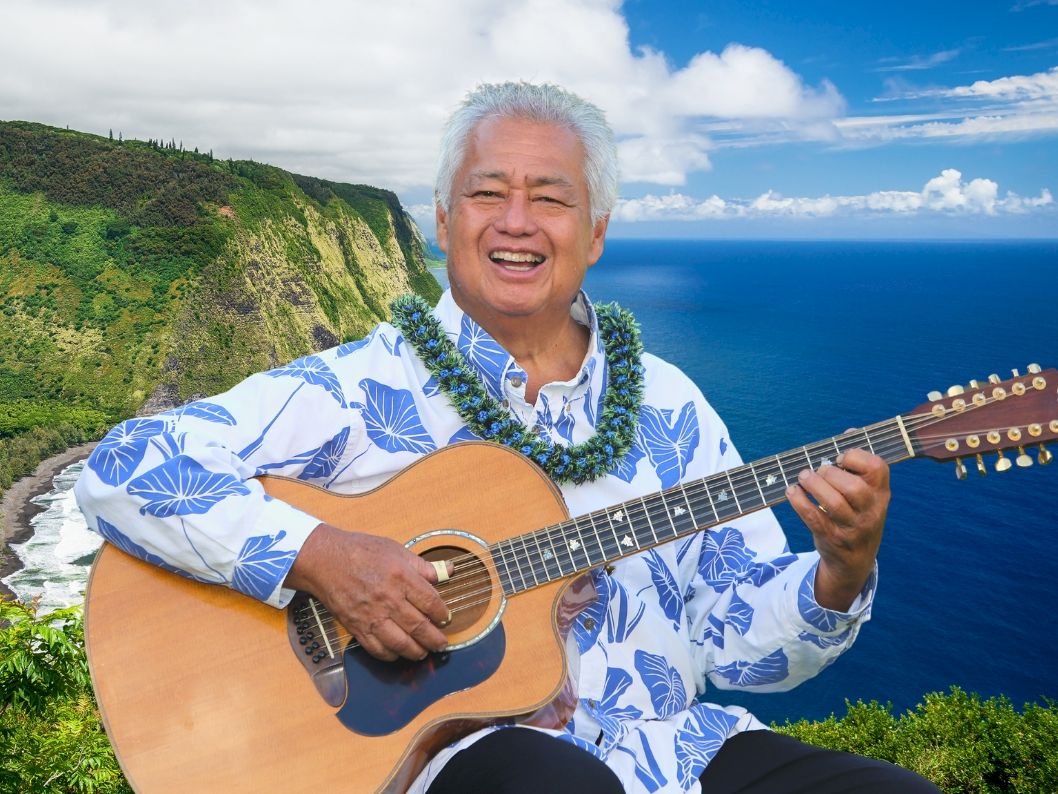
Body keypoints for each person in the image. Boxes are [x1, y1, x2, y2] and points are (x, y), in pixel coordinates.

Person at [75, 81, 939, 793]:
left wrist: (841, 571)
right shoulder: (360, 388)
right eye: (487, 194)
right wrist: (325, 557)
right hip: (444, 761)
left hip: (676, 752)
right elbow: (124, 466)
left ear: (595, 233)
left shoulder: (671, 406)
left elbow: (739, 649)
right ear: (443, 226)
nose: (516, 222)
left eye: (551, 198)